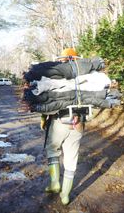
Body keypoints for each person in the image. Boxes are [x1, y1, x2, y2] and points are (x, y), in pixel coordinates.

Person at [41, 48, 84, 205]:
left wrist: (43, 117)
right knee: (71, 158)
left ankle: (55, 184)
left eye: (62, 60)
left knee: (53, 150)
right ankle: (65, 195)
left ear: (64, 59)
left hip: (59, 121)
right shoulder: (84, 77)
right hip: (78, 124)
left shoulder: (58, 77)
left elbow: (47, 101)